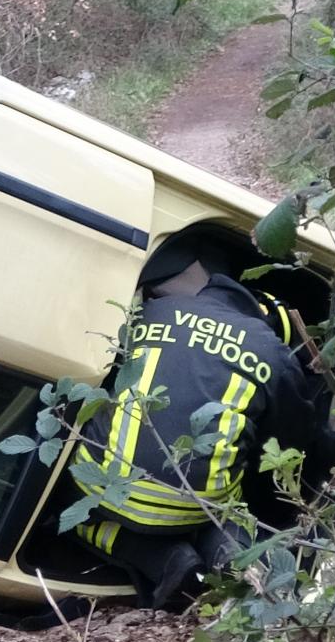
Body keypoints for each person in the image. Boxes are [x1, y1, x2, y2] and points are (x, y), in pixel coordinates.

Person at [69, 244, 320, 608]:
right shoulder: (272, 352)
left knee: (68, 501)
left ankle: (163, 560)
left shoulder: (153, 312)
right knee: (227, 503)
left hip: (108, 488)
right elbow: (287, 445)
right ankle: (234, 561)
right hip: (193, 507)